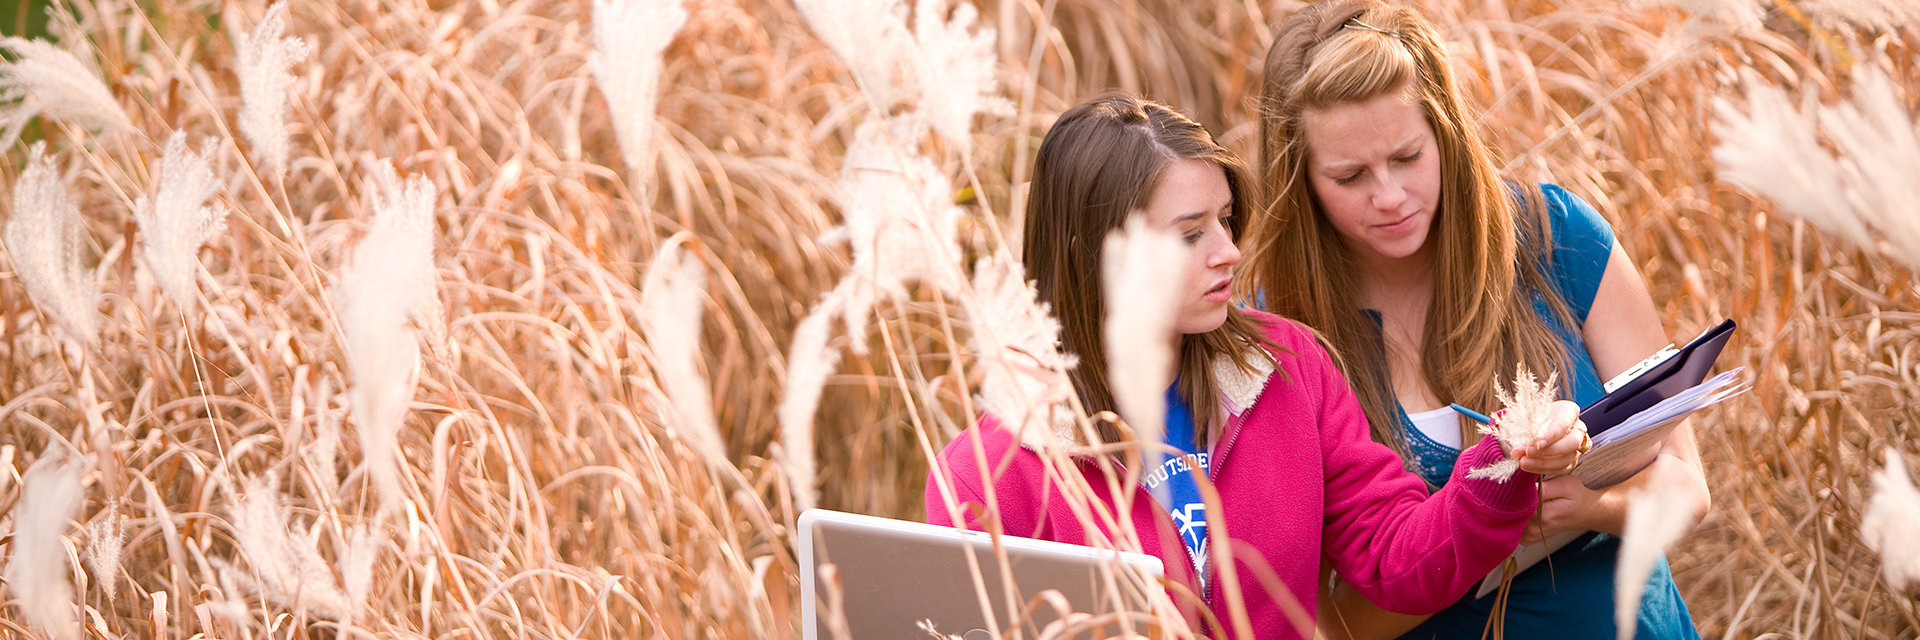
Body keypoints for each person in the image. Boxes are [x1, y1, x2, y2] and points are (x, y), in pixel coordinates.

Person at [924, 94, 1590, 640]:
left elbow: (1396, 560)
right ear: (1095, 253)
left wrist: (1501, 468)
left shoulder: (1287, 366)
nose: (1229, 253)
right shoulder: (989, 471)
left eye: (1225, 220)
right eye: (1190, 234)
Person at [1243, 2, 1712, 639]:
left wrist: (1592, 507)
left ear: (1446, 134)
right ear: (1300, 182)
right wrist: (1488, 521)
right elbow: (1331, 623)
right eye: (1349, 176)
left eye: (1408, 157)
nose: (1389, 196)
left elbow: (1688, 490)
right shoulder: (1279, 335)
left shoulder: (1557, 239)